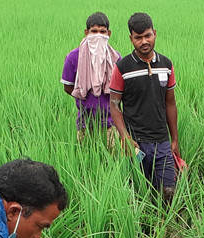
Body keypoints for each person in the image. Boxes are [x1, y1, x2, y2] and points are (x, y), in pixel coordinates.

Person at [109, 12, 181, 205]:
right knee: (139, 193)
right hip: (136, 143)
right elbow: (114, 105)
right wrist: (124, 136)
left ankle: (164, 229)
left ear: (154, 33)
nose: (144, 41)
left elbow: (170, 103)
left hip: (162, 141)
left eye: (147, 35)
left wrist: (174, 138)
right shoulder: (122, 67)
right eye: (138, 37)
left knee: (168, 191)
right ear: (131, 38)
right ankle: (142, 231)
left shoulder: (166, 65)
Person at [61, 12, 119, 148]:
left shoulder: (115, 58)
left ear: (109, 34)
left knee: (112, 161)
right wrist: (85, 97)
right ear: (86, 33)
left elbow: (121, 90)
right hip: (85, 123)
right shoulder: (73, 57)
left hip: (111, 123)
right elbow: (68, 87)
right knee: (86, 159)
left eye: (102, 31)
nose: (98, 35)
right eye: (94, 31)